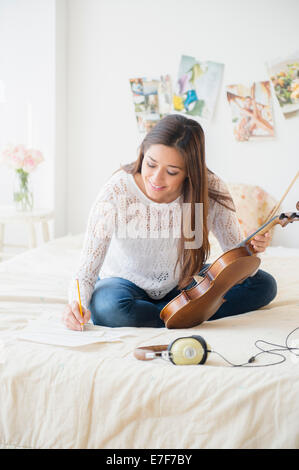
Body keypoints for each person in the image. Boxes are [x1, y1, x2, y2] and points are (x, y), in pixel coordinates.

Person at [62, 114, 276, 331]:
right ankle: (184, 313)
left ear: (189, 171)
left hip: (183, 282)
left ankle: (170, 313)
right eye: (151, 164)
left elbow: (234, 256)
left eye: (172, 172)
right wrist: (76, 304)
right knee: (108, 308)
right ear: (142, 154)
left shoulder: (211, 189)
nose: (156, 178)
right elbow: (86, 268)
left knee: (263, 285)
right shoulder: (116, 191)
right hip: (123, 282)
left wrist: (252, 248)